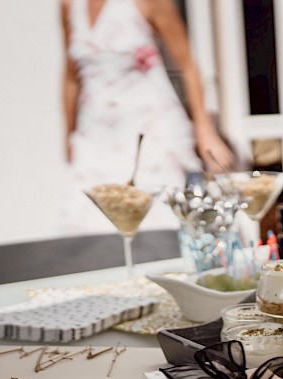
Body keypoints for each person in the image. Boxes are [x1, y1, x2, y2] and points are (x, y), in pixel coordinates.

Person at [59, 0, 234, 234]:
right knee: (89, 225)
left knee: (156, 223)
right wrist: (69, 134)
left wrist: (204, 130)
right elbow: (71, 76)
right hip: (96, 133)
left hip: (150, 128)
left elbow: (188, 65)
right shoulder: (69, 5)